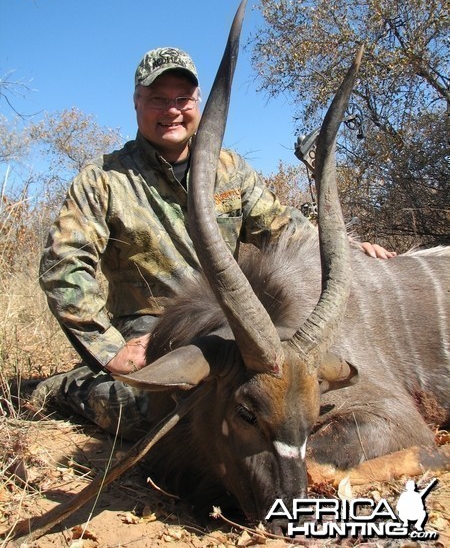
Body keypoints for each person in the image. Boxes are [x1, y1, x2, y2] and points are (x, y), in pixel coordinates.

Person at [31, 47, 396, 438]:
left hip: (229, 323)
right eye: (157, 99)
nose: (171, 110)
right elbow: (62, 265)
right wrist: (109, 350)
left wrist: (346, 246)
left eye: (181, 99)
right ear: (137, 103)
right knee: (156, 415)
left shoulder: (230, 169)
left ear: (198, 103)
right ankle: (66, 387)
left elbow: (283, 227)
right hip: (153, 328)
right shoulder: (104, 179)